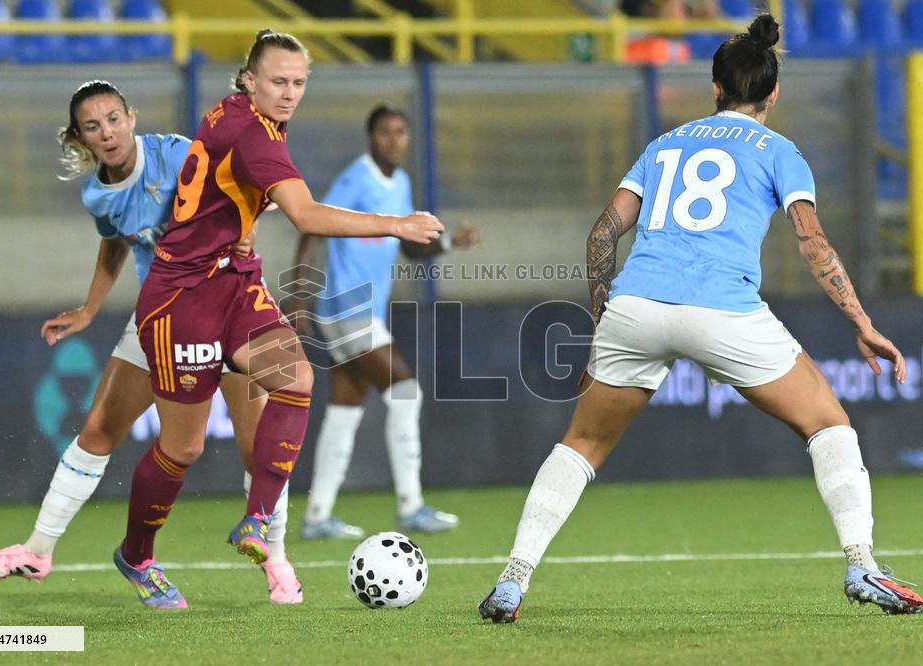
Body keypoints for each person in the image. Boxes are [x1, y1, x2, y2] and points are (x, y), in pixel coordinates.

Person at [478, 14, 923, 623]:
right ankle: (862, 565)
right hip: (723, 309)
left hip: (636, 306)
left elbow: (606, 230)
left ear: (715, 89)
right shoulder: (780, 151)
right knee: (829, 424)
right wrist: (862, 320)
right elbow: (812, 243)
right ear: (772, 94)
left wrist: (602, 304)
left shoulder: (665, 144)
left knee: (582, 444)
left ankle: (512, 581)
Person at [116, 30, 443, 609]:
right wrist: (395, 223)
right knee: (182, 448)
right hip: (181, 299)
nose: (289, 93)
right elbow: (308, 215)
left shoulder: (249, 117)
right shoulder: (253, 130)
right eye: (278, 82)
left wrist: (240, 233)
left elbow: (230, 187)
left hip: (234, 285)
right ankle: (137, 555)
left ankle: (256, 521)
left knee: (296, 379)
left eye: (298, 83)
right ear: (250, 79)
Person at [0, 80, 302, 605]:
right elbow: (116, 243)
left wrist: (250, 226)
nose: (107, 132)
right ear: (80, 138)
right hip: (162, 315)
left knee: (253, 443)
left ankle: (276, 560)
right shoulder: (96, 193)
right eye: (93, 126)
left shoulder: (173, 154)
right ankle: (38, 550)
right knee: (102, 429)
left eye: (113, 118)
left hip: (229, 299)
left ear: (132, 116)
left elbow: (248, 179)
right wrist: (89, 308)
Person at [291, 104, 479, 539]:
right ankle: (411, 506)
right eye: (385, 132)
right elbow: (313, 227)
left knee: (344, 411)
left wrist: (449, 242)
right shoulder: (358, 177)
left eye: (400, 132)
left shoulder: (402, 183)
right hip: (345, 307)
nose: (394, 139)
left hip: (359, 312)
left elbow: (410, 246)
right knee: (407, 393)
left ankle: (317, 516)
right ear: (370, 137)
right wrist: (298, 299)